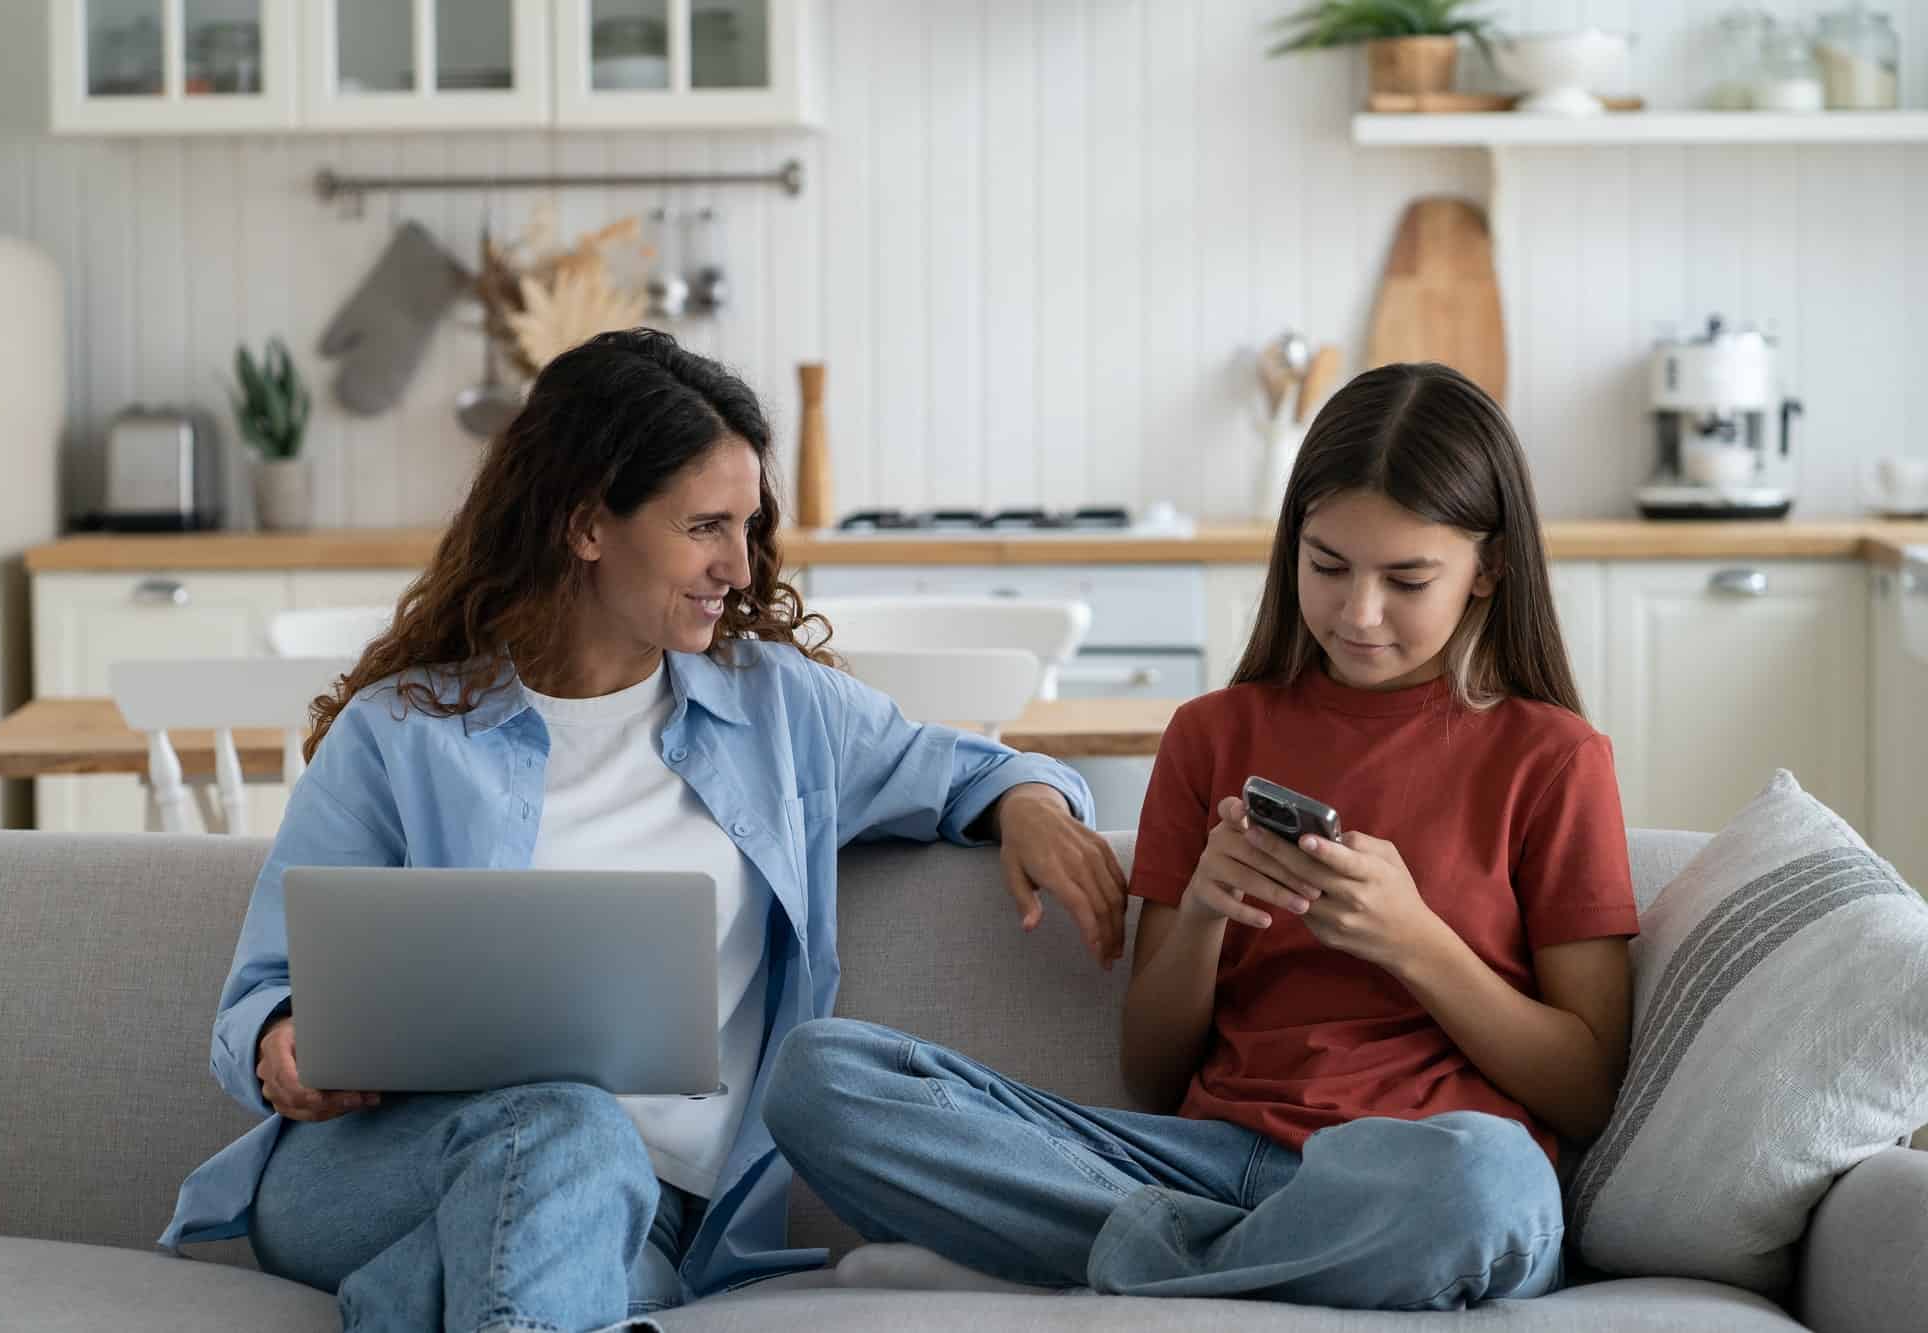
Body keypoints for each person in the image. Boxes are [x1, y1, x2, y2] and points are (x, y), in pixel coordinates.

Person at [158, 328, 1128, 1333]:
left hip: (654, 1216)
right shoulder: (401, 734)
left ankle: (407, 1301)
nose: (738, 567)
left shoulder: (780, 713)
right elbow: (259, 995)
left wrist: (1030, 804)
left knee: (570, 1248)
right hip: (387, 1167)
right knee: (572, 1123)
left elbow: (973, 767)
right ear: (586, 525)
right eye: (704, 526)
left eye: (748, 526)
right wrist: (282, 1045)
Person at [763, 362, 1640, 1310]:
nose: (1359, 612)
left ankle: (1085, 1260)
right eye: (1329, 565)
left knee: (1493, 1183)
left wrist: (1416, 942)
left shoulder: (1554, 757)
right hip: (1204, 1163)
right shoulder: (1213, 734)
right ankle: (1216, 1261)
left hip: (1419, 1173)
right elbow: (1151, 1070)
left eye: (1407, 578)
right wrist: (1210, 915)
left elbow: (1586, 1086)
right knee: (820, 1078)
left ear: (1490, 569)